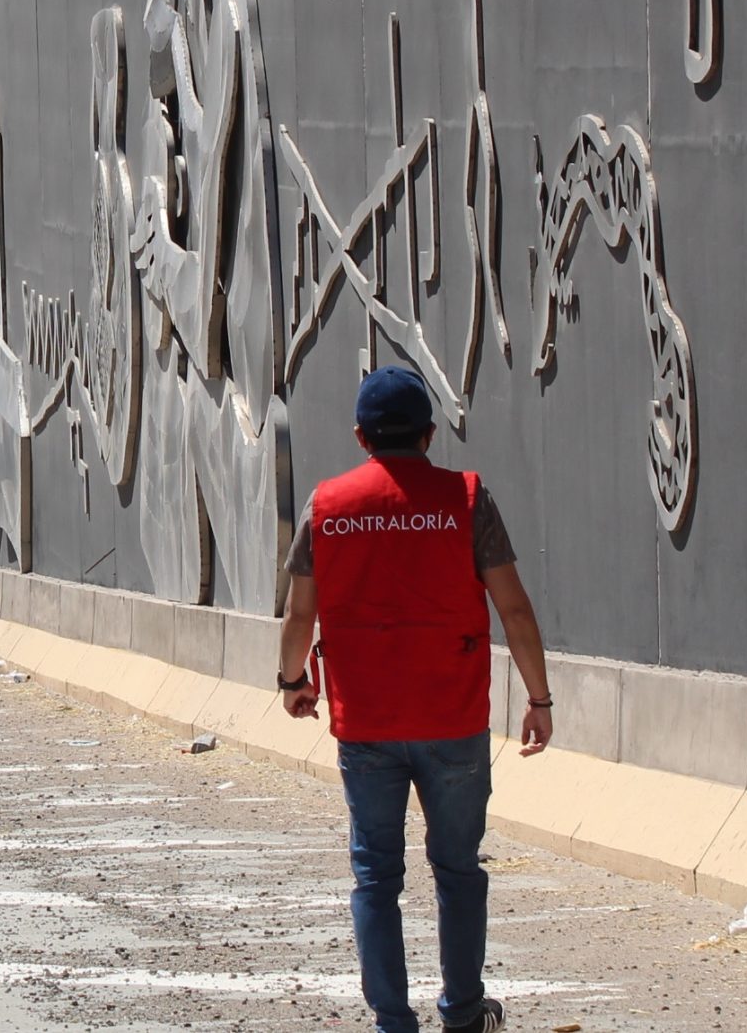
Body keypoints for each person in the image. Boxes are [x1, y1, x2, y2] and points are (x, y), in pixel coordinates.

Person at [279, 364, 552, 1033]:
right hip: (452, 718)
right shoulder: (465, 497)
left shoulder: (327, 506)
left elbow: (297, 615)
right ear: (430, 434)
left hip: (366, 720)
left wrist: (294, 683)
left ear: (360, 436)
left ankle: (393, 1023)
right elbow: (514, 609)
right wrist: (538, 699)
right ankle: (462, 1014)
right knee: (458, 867)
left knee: (376, 876)